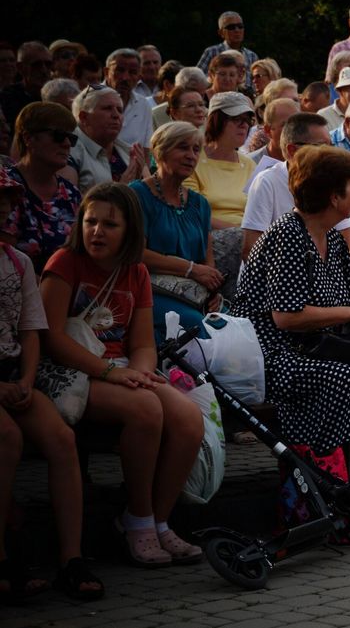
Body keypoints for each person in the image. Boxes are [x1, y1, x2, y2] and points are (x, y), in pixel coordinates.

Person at [233, 146, 350, 531]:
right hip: (270, 353)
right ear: (333, 197)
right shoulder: (287, 235)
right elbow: (286, 317)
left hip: (313, 349)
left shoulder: (333, 241)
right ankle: (328, 495)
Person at [41, 182, 205, 566]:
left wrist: (142, 372)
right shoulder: (65, 264)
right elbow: (48, 338)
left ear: (130, 229)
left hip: (118, 369)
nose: (97, 231)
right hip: (72, 371)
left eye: (109, 225)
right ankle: (140, 522)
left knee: (188, 419)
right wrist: (110, 374)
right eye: (90, 221)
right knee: (146, 409)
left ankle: (156, 521)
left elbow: (144, 345)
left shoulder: (136, 273)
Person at [0, 171, 101, 601]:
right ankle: (4, 555)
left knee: (61, 437)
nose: (6, 209)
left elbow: (30, 329)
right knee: (6, 438)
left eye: (8, 199)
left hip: (12, 374)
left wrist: (24, 377)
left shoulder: (18, 261)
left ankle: (71, 558)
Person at [129, 122, 223, 338]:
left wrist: (213, 291)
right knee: (198, 326)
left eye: (196, 149)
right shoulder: (137, 195)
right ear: (159, 152)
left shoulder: (200, 204)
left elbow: (207, 260)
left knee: (231, 326)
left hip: (193, 294)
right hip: (148, 291)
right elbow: (136, 253)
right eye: (182, 147)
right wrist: (191, 269)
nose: (191, 155)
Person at [242, 113, 342, 261]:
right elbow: (251, 250)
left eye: (331, 146)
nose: (329, 153)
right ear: (292, 150)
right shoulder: (266, 182)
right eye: (320, 146)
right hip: (276, 277)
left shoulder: (332, 182)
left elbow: (346, 245)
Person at [2, 102, 83, 273]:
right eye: (59, 136)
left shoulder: (72, 194)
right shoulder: (7, 189)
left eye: (72, 138)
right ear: (28, 138)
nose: (67, 144)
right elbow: (6, 262)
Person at [185, 92, 256, 228]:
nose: (244, 125)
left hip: (248, 239)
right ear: (216, 121)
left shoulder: (250, 165)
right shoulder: (192, 161)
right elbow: (193, 213)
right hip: (207, 238)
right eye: (236, 119)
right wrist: (240, 233)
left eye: (247, 120)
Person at [69, 85, 147, 193]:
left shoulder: (130, 152)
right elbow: (70, 206)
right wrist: (121, 190)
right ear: (84, 117)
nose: (116, 115)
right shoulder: (68, 152)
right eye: (107, 108)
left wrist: (141, 182)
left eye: (120, 110)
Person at [103, 49, 152, 150]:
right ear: (107, 72)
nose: (125, 77)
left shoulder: (143, 105)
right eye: (120, 70)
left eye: (132, 72)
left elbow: (145, 149)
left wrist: (144, 166)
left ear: (139, 77)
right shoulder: (89, 99)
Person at [197, 11, 258, 90]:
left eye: (240, 26)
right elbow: (198, 79)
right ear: (221, 32)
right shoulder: (212, 52)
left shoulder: (252, 56)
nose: (237, 30)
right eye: (231, 27)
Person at [0, 42, 52, 124]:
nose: (44, 70)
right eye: (36, 65)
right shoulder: (5, 100)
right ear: (20, 68)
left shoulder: (58, 96)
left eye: (48, 64)